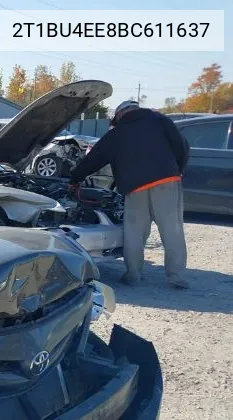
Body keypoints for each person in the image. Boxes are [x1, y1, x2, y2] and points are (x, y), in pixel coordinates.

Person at [68, 100, 190, 289]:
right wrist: (176, 170)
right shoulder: (160, 119)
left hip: (135, 187)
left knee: (135, 233)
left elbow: (94, 158)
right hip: (166, 182)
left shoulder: (117, 133)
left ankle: (133, 275)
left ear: (119, 115)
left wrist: (75, 178)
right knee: (172, 230)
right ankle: (177, 277)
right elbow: (181, 145)